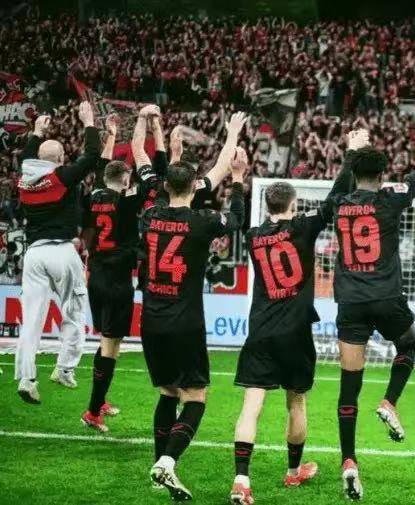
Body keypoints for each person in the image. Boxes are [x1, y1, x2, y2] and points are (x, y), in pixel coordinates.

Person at [228, 130, 359, 505]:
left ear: (266, 204)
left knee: (251, 406)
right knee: (296, 402)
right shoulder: (303, 227)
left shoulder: (254, 237)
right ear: (294, 203)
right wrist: (350, 155)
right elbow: (335, 198)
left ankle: (241, 480)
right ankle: (292, 471)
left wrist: (237, 178)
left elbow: (237, 217)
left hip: (261, 330)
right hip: (296, 332)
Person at [143, 112, 247, 501]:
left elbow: (172, 182)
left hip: (151, 319)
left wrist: (170, 152)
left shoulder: (150, 214)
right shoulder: (202, 221)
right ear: (194, 188)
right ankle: (168, 462)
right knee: (195, 397)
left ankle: (161, 466)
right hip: (184, 321)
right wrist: (237, 175)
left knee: (168, 392)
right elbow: (235, 219)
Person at [331, 124, 415, 501]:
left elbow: (338, 188)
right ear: (383, 174)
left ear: (354, 172)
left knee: (349, 386)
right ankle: (389, 401)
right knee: (408, 343)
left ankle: (349, 461)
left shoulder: (339, 203)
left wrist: (351, 151)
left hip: (351, 302)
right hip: (387, 297)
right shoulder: (391, 199)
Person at [80, 106, 165, 432]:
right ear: (126, 181)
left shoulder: (92, 196)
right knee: (110, 346)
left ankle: (99, 400)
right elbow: (154, 172)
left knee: (108, 342)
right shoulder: (128, 202)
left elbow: (102, 166)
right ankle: (92, 410)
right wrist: (142, 123)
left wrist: (113, 135)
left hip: (96, 276)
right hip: (117, 282)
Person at [15, 101, 99, 404]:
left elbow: (27, 156)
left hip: (34, 254)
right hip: (62, 250)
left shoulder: (24, 178)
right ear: (61, 159)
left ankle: (26, 379)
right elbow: (92, 156)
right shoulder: (62, 177)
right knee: (74, 310)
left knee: (31, 320)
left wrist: (37, 131)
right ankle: (64, 368)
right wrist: (88, 122)